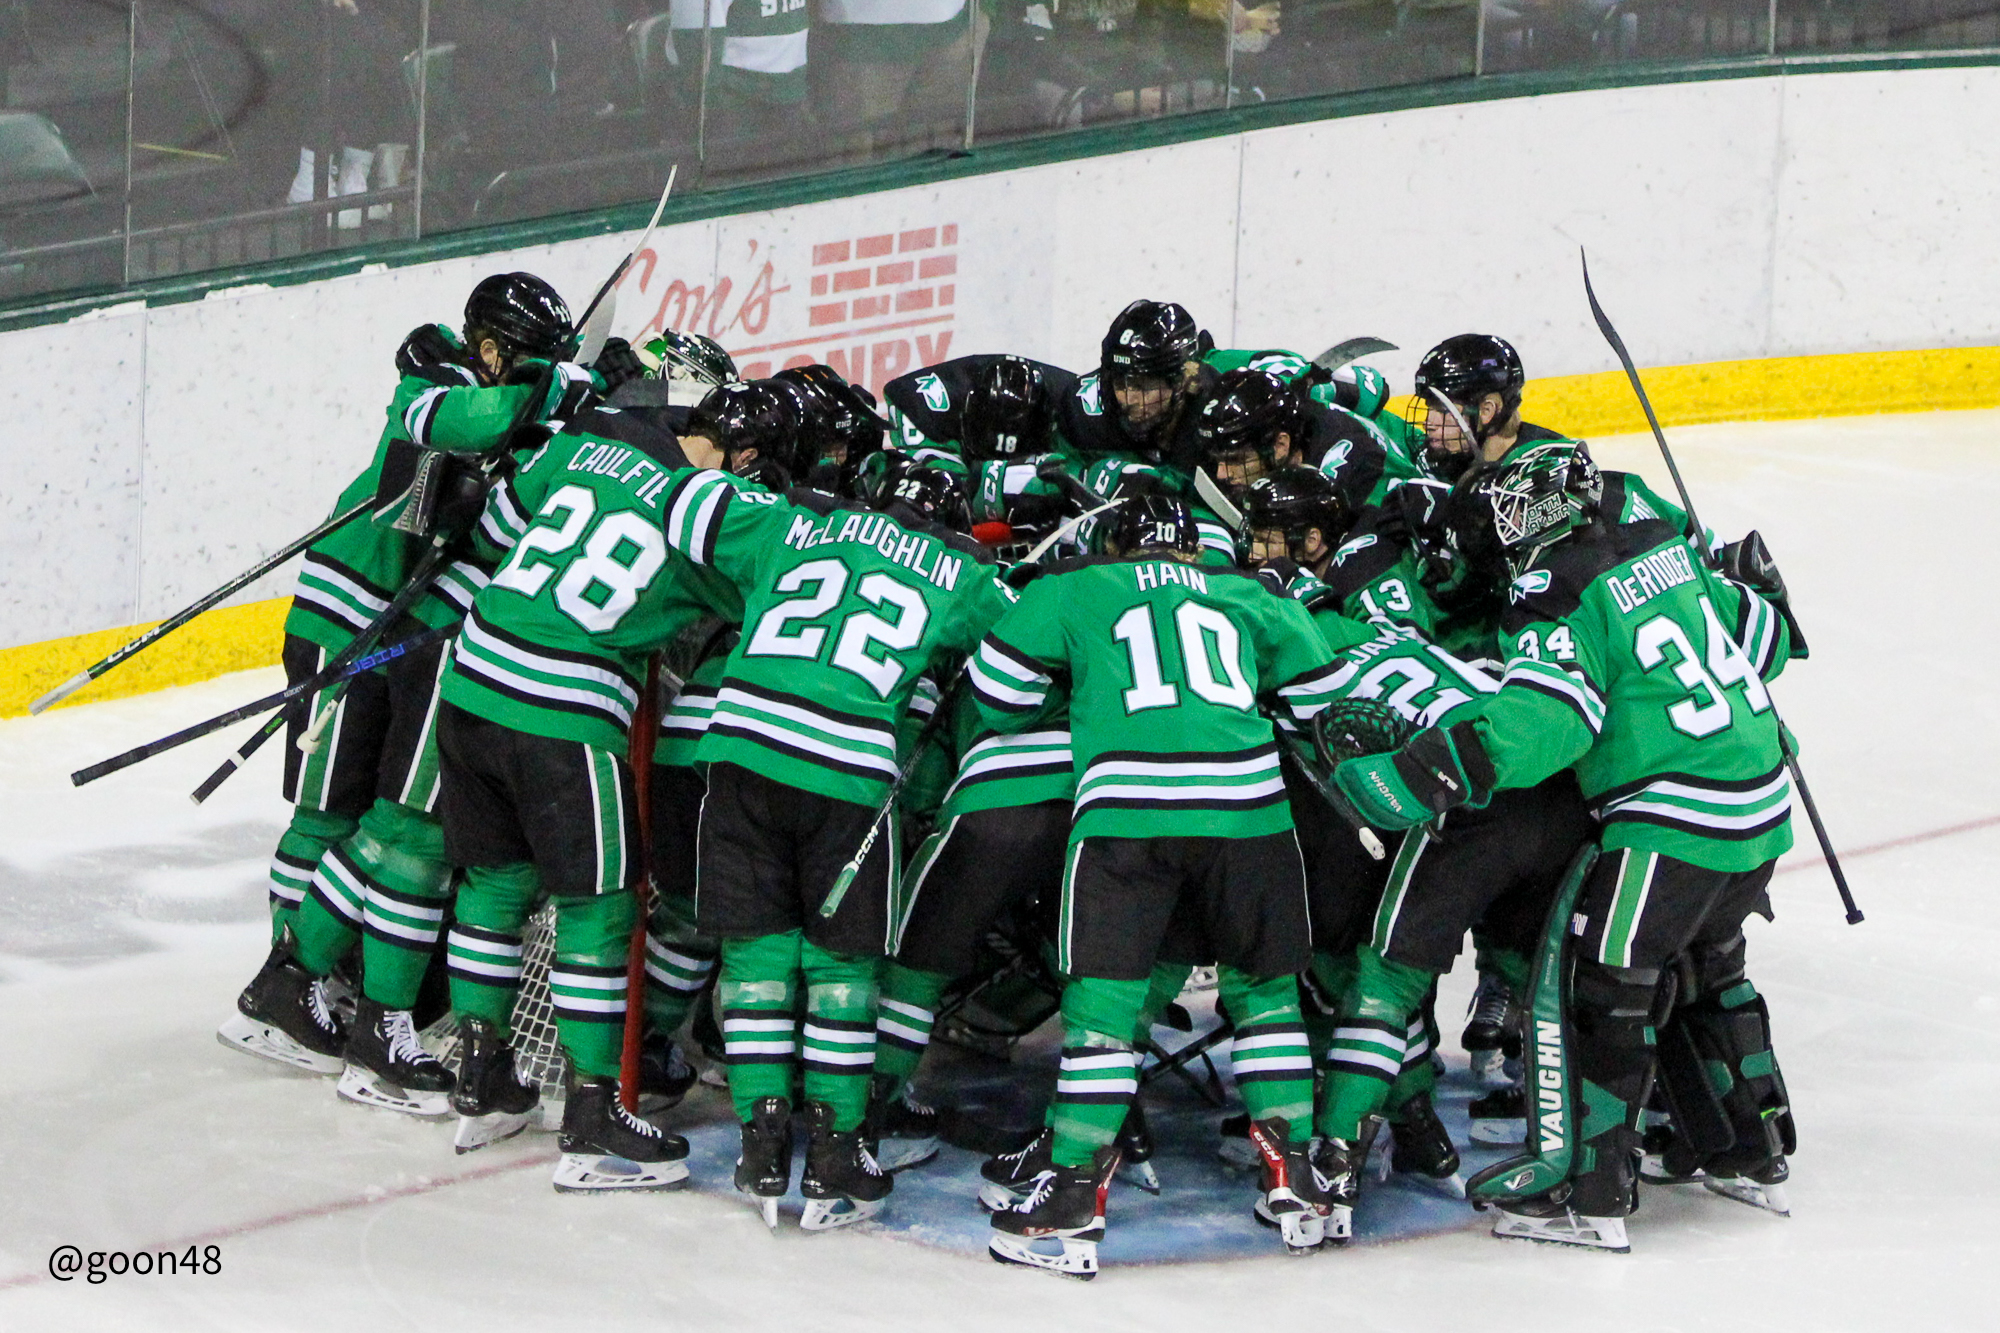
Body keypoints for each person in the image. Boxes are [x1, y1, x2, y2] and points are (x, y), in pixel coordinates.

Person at [1333, 439, 1801, 1251]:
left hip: (1674, 818)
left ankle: (1588, 1189)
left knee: (1602, 990)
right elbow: (1766, 640)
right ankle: (1743, 1147)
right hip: (1761, 798)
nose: (1505, 528)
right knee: (1708, 968)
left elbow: (1551, 726)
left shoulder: (1553, 586)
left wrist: (1417, 771)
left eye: (1515, 510)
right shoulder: (1661, 547)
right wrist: (1766, 590)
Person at [219, 273, 600, 1109]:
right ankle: (314, 988)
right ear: (489, 346)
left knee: (374, 822)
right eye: (523, 358)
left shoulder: (505, 401)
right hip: (350, 621)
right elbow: (485, 421)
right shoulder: (438, 386)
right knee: (350, 822)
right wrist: (562, 392)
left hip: (396, 634)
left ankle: (312, 980)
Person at [968, 494, 1348, 1276]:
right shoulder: (1245, 590)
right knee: (1265, 993)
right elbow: (1322, 702)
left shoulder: (1074, 584)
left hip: (1128, 816)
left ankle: (1074, 1193)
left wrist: (1077, 689)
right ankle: (1298, 1179)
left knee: (1105, 1008)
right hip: (1248, 812)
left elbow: (993, 698)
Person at [656, 462, 1015, 1230]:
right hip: (849, 773)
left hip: (742, 747)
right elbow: (1019, 657)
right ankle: (834, 1150)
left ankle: (760, 1143)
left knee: (756, 958)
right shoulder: (955, 567)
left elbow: (684, 507)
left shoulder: (796, 522)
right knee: (842, 967)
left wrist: (791, 501)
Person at [436, 386, 735, 1184]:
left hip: (468, 684)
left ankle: (482, 1076)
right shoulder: (711, 513)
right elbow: (749, 605)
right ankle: (596, 1111)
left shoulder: (583, 448)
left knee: (494, 885)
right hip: (563, 713)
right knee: (600, 905)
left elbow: (495, 530)